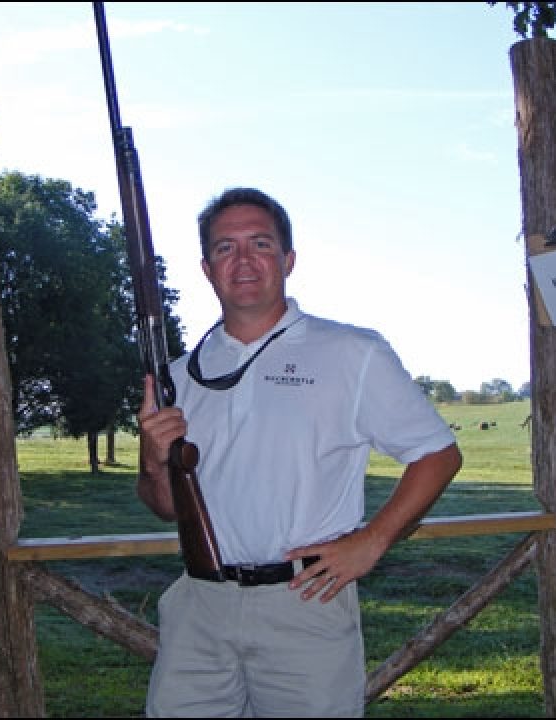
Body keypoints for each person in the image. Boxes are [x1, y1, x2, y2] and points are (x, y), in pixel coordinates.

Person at [137, 186, 463, 718]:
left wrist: (372, 541)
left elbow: (438, 455)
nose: (242, 260)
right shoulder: (178, 375)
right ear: (206, 268)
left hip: (304, 603)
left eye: (260, 244)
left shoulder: (351, 352)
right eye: (225, 248)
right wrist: (153, 459)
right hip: (199, 608)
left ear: (287, 260)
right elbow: (165, 505)